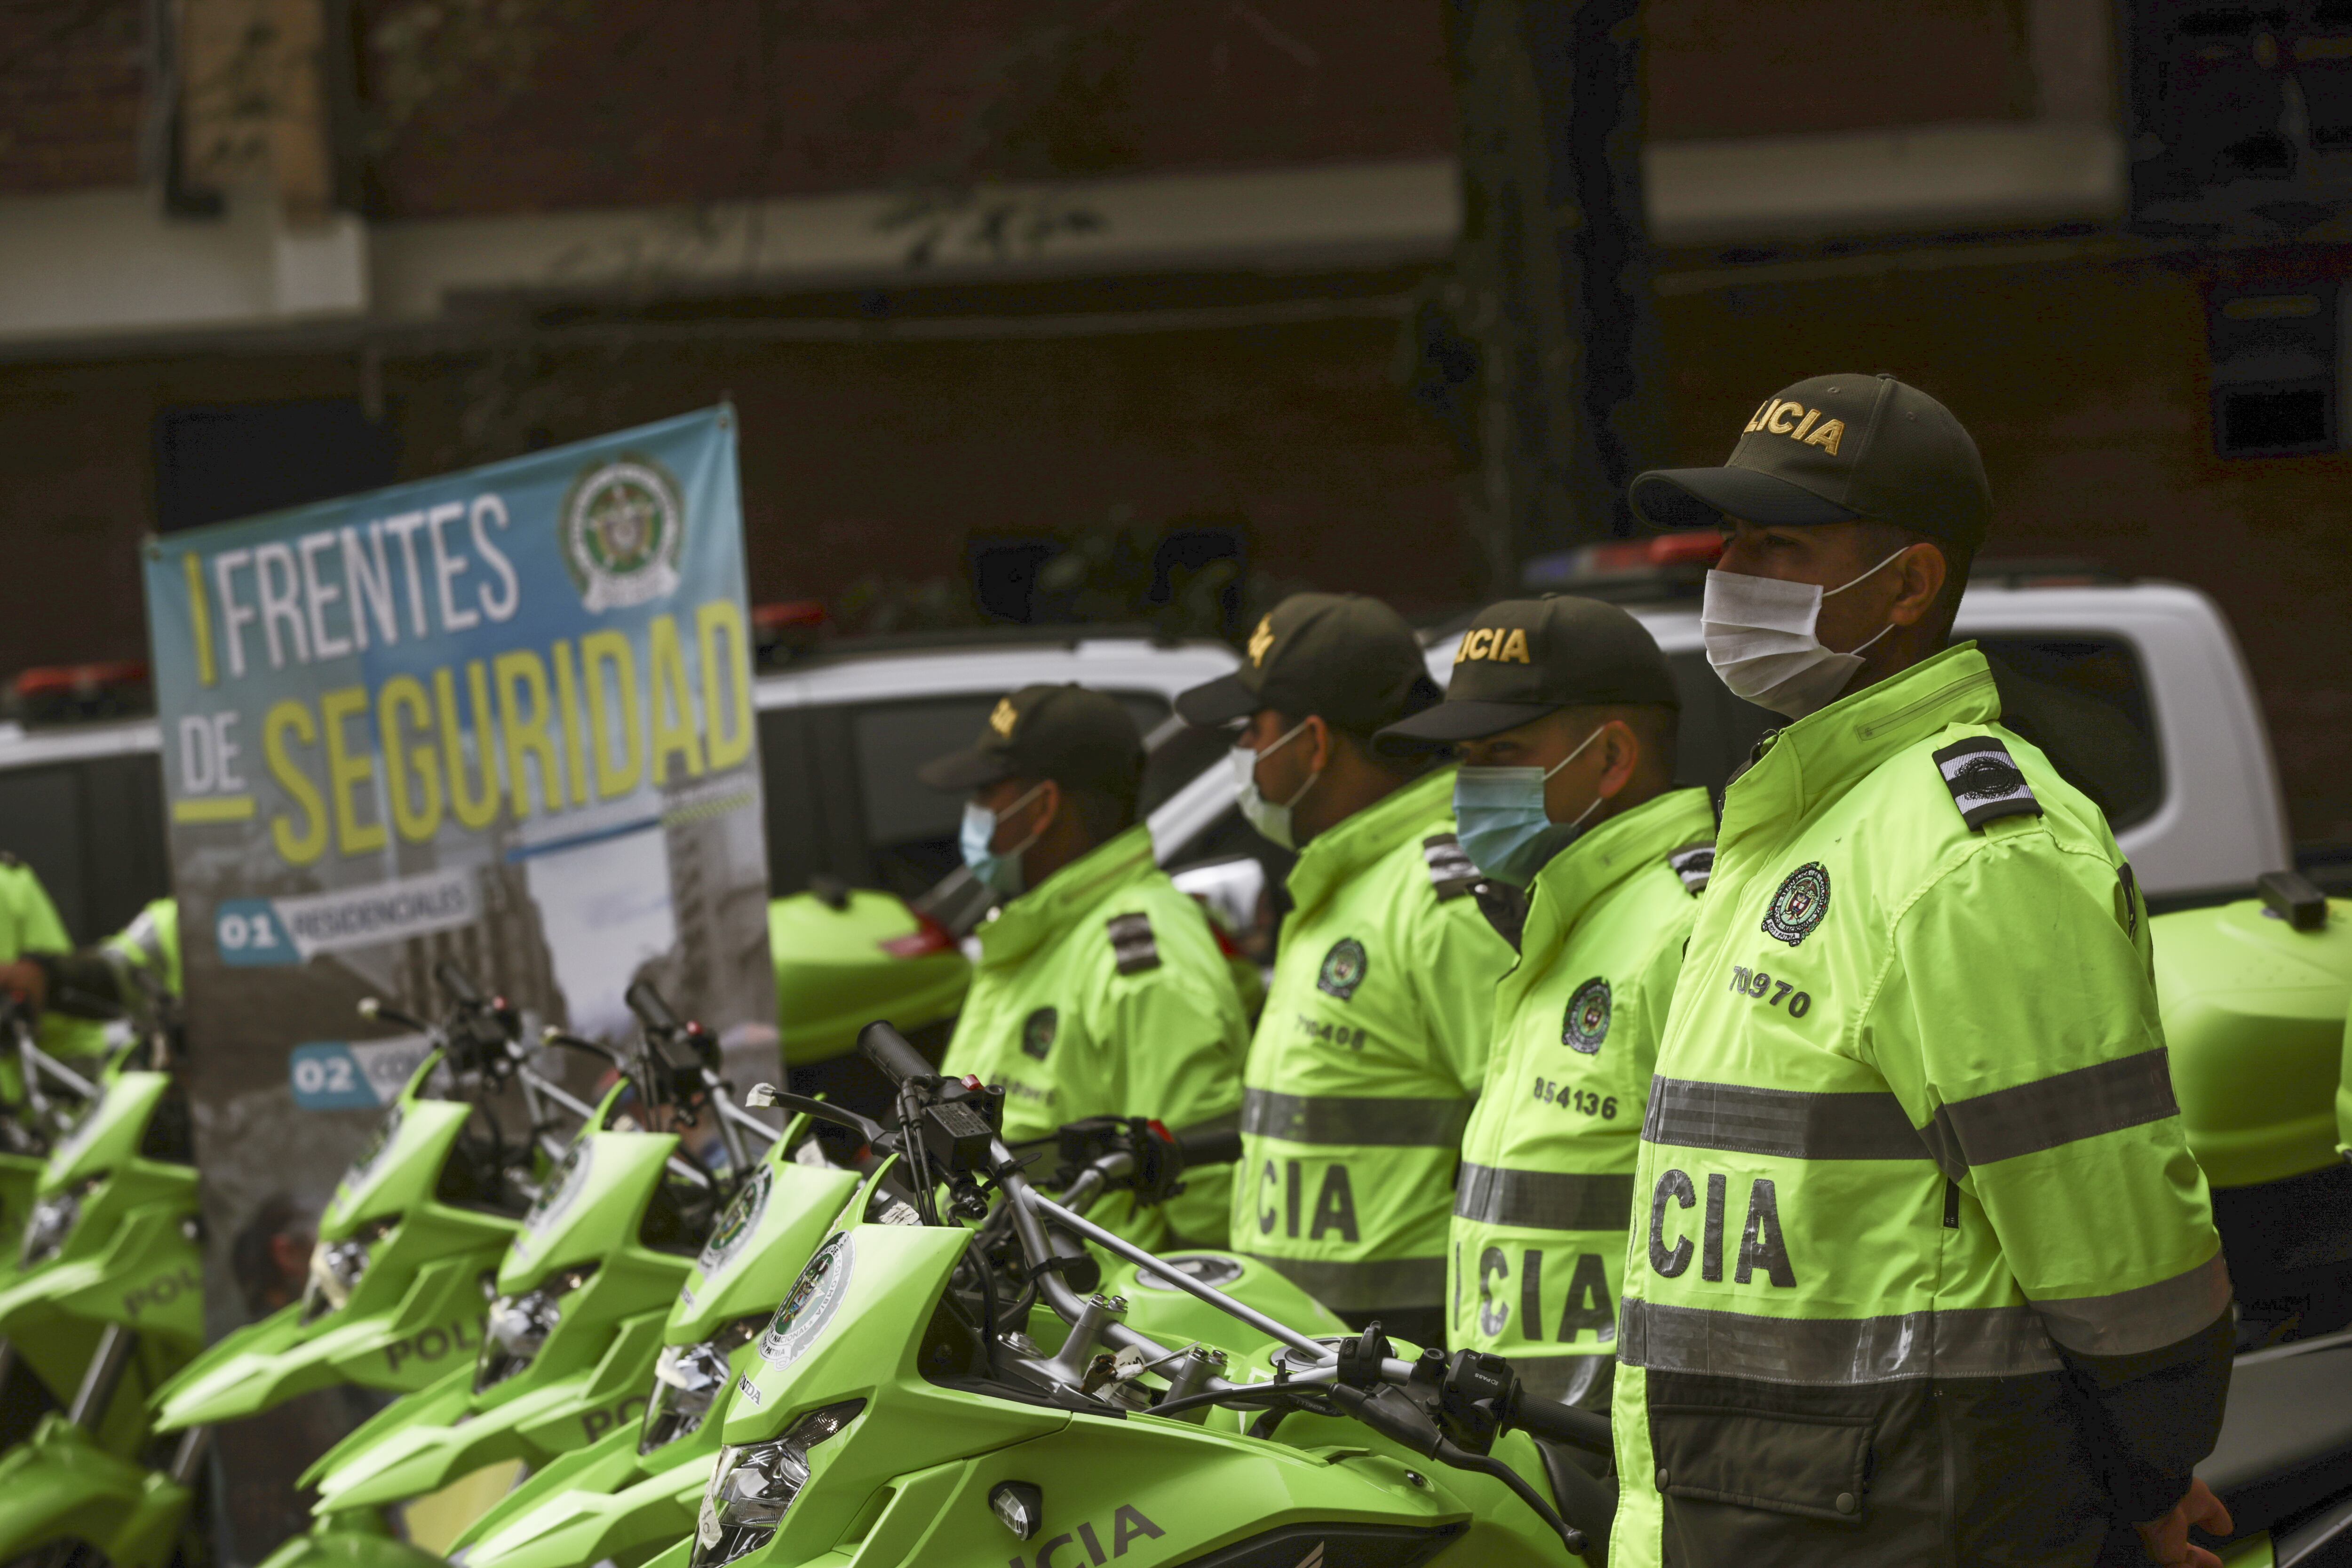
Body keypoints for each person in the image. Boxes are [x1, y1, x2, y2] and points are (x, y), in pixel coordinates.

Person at [1609, 374, 2233, 1568]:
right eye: (1730, 537)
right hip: (1763, 1511)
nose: (1729, 573)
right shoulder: (1799, 820)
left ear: (1908, 585)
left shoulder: (1970, 852)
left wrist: (2149, 1471)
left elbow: (2107, 1229)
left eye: (1778, 545)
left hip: (1900, 1522)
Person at [1372, 595, 1711, 1409]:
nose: (1469, 785)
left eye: (1503, 752)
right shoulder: (1559, 918)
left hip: (1623, 1440)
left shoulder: (1688, 927)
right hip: (1528, 1436)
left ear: (1612, 756)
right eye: (1465, 757)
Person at [1177, 593, 1511, 1347]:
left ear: (1315, 742)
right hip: (1317, 1350)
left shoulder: (1440, 900)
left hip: (1410, 1358)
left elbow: (1522, 1148)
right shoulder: (1345, 880)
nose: (1243, 752)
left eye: (1252, 729)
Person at [922, 684, 1248, 1249]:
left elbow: (1203, 1200)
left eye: (988, 792)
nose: (975, 811)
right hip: (1007, 1284)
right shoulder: (1039, 931)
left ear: (1042, 807)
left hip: (1090, 1297)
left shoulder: (1144, 957)